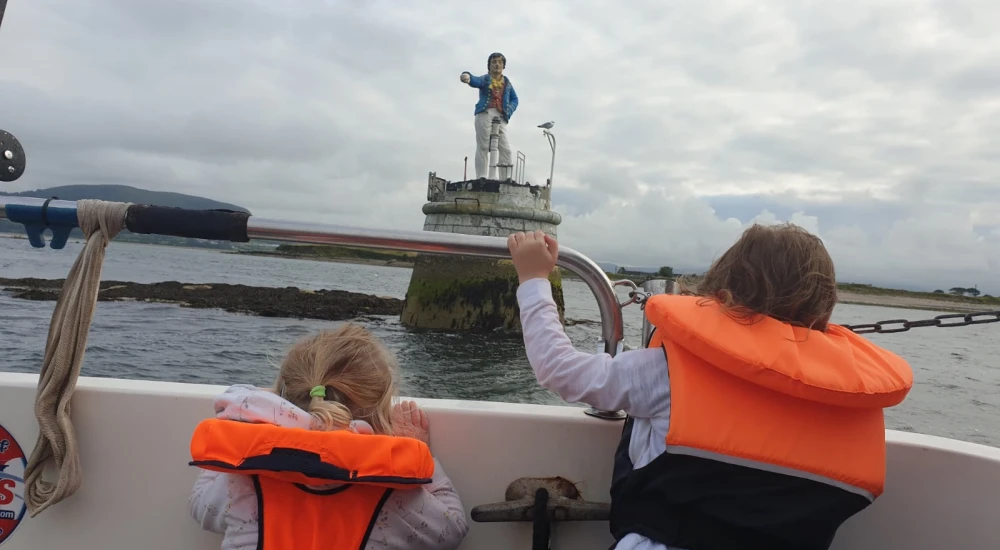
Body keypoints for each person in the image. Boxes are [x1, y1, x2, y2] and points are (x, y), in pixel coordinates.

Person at [507, 224, 914, 550]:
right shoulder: (847, 398)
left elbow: (559, 369)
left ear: (720, 292)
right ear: (825, 304)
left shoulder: (667, 372)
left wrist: (533, 278)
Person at [187, 324, 469, 550]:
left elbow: (200, 505)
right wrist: (419, 452)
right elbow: (452, 530)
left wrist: (241, 440)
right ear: (381, 417)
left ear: (281, 400)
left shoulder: (246, 476)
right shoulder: (394, 489)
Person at [460, 52, 518, 179]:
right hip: (485, 113)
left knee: (505, 148)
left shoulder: (506, 82)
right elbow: (475, 80)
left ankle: (506, 178)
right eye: (494, 62)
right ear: (489, 65)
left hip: (501, 116)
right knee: (483, 146)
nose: (497, 64)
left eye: (500, 62)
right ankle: (482, 176)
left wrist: (508, 109)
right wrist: (467, 76)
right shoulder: (486, 79)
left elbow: (515, 99)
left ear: (503, 66)